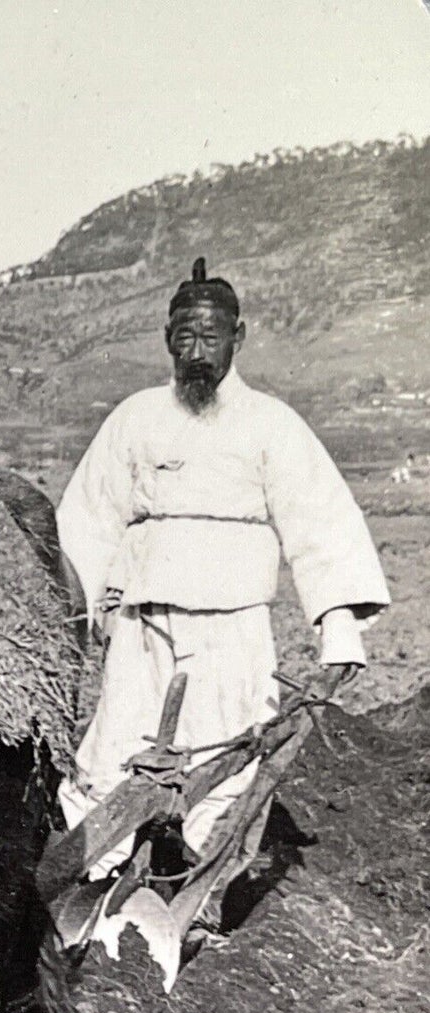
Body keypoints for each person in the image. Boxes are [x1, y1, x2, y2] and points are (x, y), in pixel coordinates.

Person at [55, 257, 390, 944]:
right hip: (144, 623)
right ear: (165, 337)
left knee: (227, 758)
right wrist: (75, 608)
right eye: (183, 335)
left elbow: (318, 521)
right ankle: (91, 895)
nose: (196, 349)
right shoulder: (134, 419)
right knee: (111, 751)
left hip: (232, 629)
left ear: (238, 336)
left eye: (209, 335)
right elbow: (88, 517)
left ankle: (200, 900)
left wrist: (337, 626)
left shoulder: (270, 425)